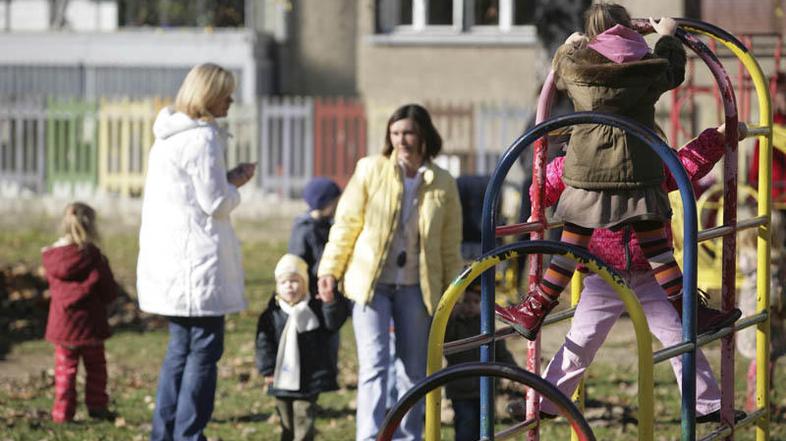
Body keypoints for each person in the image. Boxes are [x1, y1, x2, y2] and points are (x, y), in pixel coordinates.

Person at [496, 4, 738, 340]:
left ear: (593, 34)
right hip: (639, 175)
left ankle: (534, 309)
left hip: (587, 176)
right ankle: (691, 312)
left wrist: (570, 46)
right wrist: (667, 38)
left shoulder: (579, 69)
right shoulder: (648, 68)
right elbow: (673, 72)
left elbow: (560, 74)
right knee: (658, 251)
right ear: (630, 29)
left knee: (569, 249)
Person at [536, 124, 747, 422]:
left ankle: (705, 403)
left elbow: (686, 165)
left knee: (680, 336)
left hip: (653, 274)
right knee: (581, 341)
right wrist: (538, 202)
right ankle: (544, 403)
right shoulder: (577, 165)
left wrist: (719, 137)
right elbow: (542, 186)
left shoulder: (650, 165)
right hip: (603, 276)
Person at [317, 103, 463, 441]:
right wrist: (330, 270)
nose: (401, 140)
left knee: (413, 370)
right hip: (371, 285)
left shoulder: (442, 182)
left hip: (416, 286)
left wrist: (453, 290)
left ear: (423, 135)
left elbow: (449, 244)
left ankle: (408, 436)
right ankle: (369, 437)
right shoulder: (370, 170)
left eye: (408, 132)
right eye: (395, 133)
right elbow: (346, 224)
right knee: (375, 365)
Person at [136, 63, 256, 441]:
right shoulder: (202, 138)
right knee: (204, 351)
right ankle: (189, 434)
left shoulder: (168, 136)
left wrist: (226, 180)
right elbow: (216, 203)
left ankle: (165, 433)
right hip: (196, 263)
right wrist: (236, 185)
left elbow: (191, 194)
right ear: (209, 96)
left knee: (179, 350)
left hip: (172, 262)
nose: (231, 101)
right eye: (226, 94)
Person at [255, 254, 350, 441]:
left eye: (295, 281)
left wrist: (330, 302)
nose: (289, 286)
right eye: (284, 282)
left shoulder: (315, 309)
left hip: (308, 380)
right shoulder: (271, 315)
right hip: (280, 379)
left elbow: (333, 323)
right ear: (277, 286)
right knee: (286, 420)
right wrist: (267, 369)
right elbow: (264, 344)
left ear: (305, 283)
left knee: (303, 416)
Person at [42, 202, 119, 423]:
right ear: (91, 226)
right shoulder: (94, 257)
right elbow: (108, 291)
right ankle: (97, 406)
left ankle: (62, 412)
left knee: (64, 370)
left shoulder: (53, 258)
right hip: (90, 325)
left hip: (63, 325)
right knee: (96, 368)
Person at [444, 282, 518, 441]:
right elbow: (445, 345)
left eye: (476, 302)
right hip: (461, 390)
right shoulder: (454, 325)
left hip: (486, 388)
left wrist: (516, 373)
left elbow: (502, 354)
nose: (470, 306)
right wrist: (451, 317)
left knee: (484, 428)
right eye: (466, 301)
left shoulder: (487, 327)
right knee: (465, 426)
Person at [736, 205, 786, 411]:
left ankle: (765, 396)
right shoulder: (764, 261)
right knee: (761, 357)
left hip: (769, 315)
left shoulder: (759, 258)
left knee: (768, 356)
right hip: (762, 313)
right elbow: (772, 290)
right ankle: (756, 399)